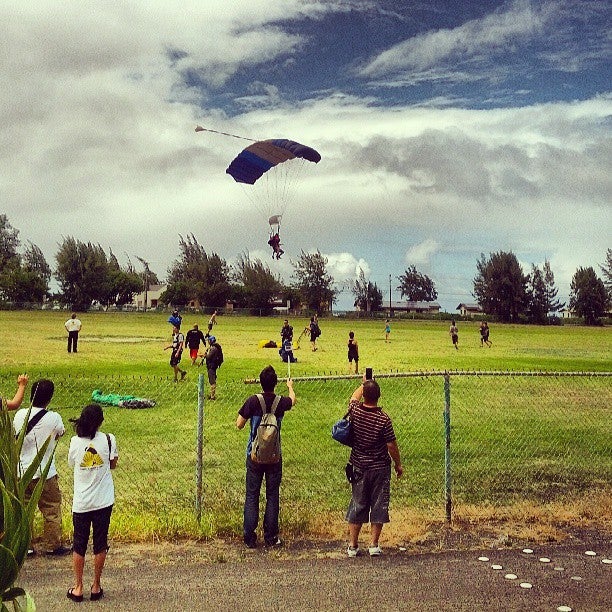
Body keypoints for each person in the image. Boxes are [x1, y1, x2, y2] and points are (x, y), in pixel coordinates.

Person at [236, 366, 295, 548]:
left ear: (260, 382)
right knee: (272, 495)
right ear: (275, 383)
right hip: (274, 456)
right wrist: (290, 386)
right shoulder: (280, 402)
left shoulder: (253, 401)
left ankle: (249, 536)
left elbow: (239, 424)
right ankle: (271, 536)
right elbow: (293, 401)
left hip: (254, 455)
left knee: (252, 495)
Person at [345, 377, 402, 558]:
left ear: (365, 396)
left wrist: (363, 384)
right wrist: (398, 464)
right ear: (379, 396)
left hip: (358, 465)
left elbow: (353, 398)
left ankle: (353, 546)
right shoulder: (383, 419)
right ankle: (373, 544)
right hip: (379, 467)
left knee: (358, 504)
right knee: (379, 504)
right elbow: (391, 445)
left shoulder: (355, 411)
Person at [66, 404, 118, 603]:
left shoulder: (75, 442)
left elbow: (73, 463)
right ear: (100, 422)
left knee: (79, 545)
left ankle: (78, 587)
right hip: (103, 500)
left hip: (82, 502)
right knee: (100, 543)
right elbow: (113, 464)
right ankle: (96, 585)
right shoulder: (108, 439)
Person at [13, 379, 71, 557]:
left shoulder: (20, 415)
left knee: (24, 510)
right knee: (51, 508)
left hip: (23, 471)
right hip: (46, 472)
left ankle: (26, 546)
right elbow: (60, 432)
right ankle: (52, 544)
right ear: (49, 398)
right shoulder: (54, 418)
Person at [203, 335, 223, 400]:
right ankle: (212, 395)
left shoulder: (214, 348)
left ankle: (212, 397)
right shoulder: (214, 348)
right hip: (213, 366)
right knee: (212, 381)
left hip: (211, 367)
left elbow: (209, 357)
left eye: (209, 340)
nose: (208, 342)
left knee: (212, 382)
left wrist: (204, 355)